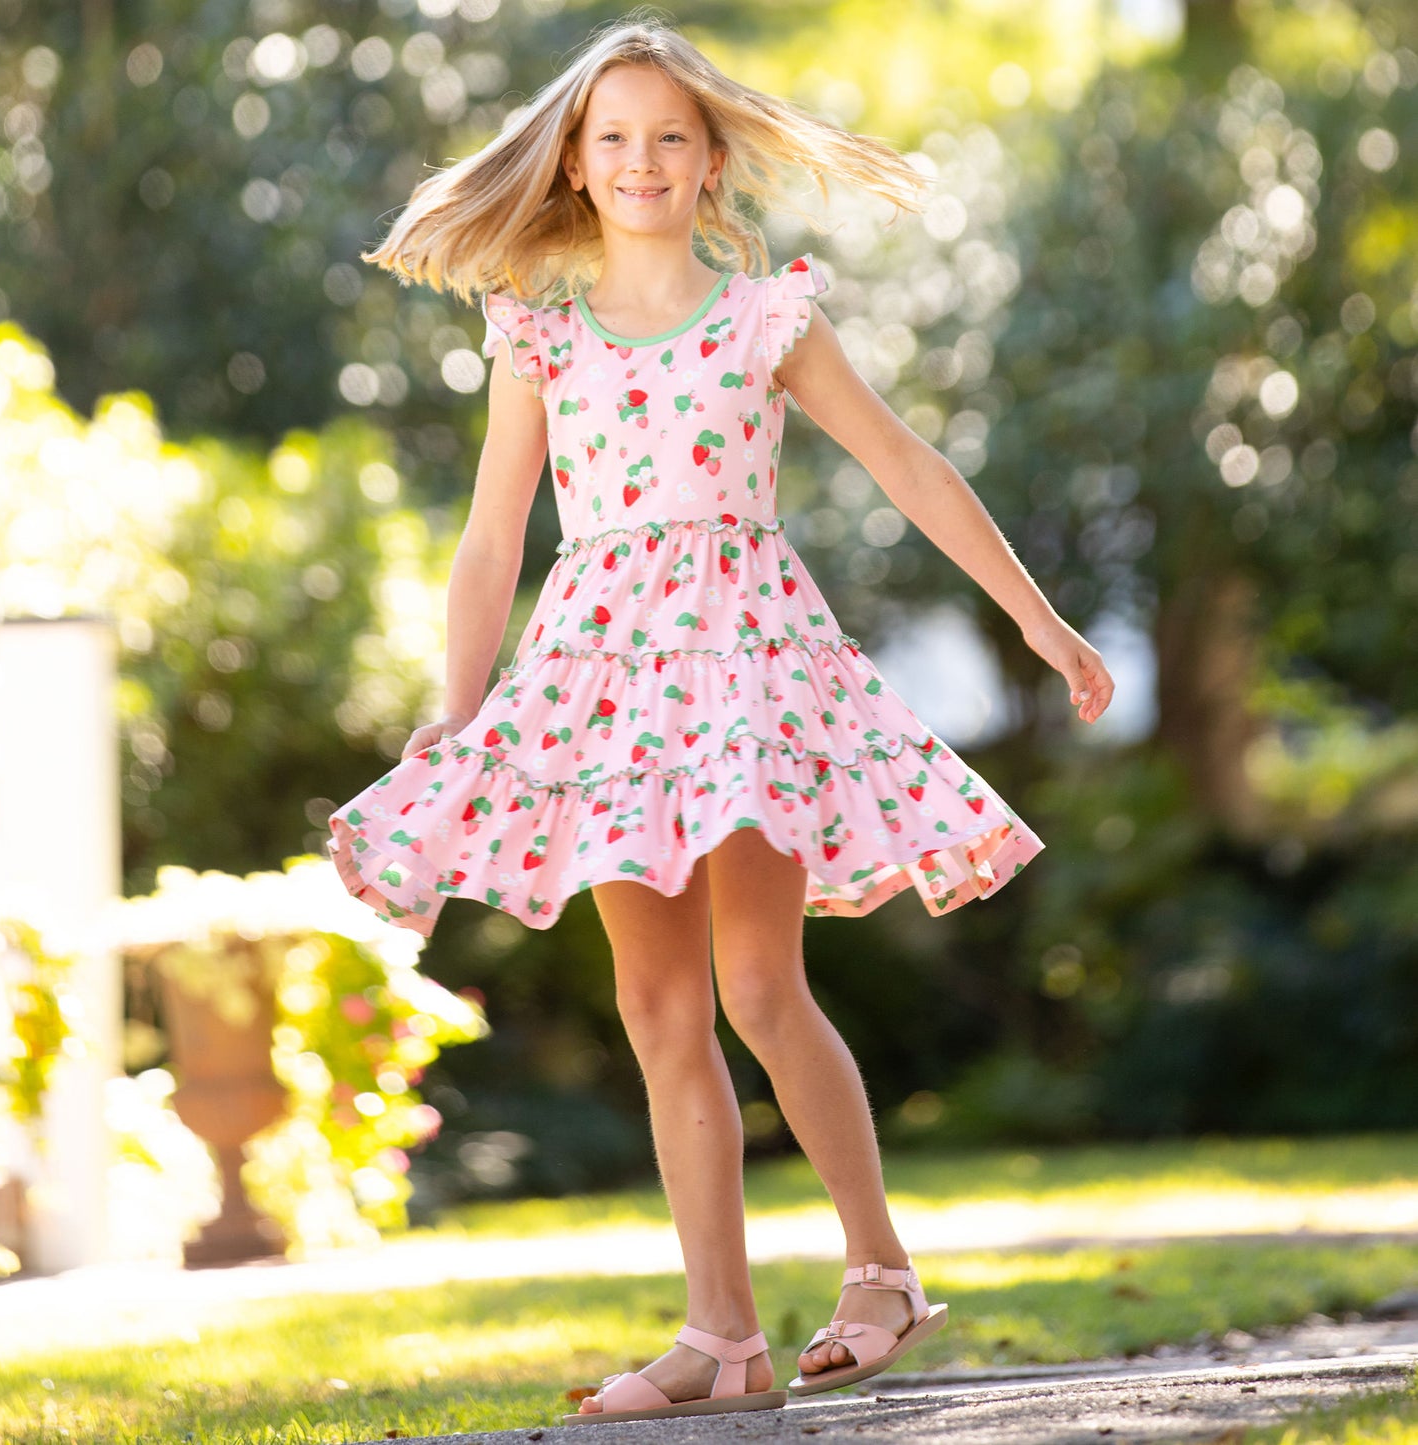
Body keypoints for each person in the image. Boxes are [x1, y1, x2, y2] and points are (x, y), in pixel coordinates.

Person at [326, 9, 1115, 1426]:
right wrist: (458, 711)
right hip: (602, 680)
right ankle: (721, 1335)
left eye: (668, 139)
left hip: (746, 667)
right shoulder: (537, 338)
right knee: (653, 1002)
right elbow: (492, 536)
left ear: (707, 164)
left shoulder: (765, 317)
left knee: (759, 984)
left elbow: (910, 467)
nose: (640, 161)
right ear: (574, 160)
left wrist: (1036, 616)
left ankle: (879, 1274)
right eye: (613, 137)